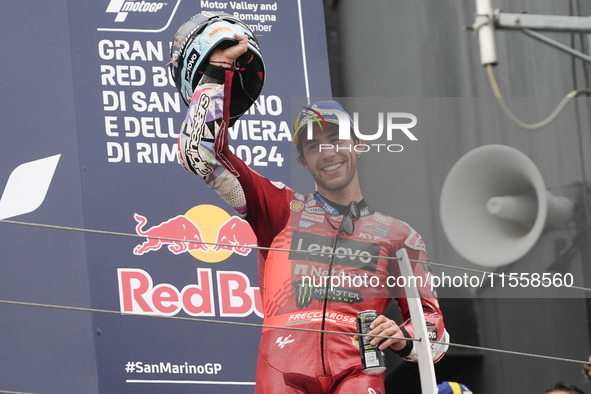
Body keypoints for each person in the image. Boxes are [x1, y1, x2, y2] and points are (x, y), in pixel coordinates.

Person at [173, 18, 449, 394]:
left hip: (358, 371)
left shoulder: (401, 236)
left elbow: (435, 334)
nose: (327, 152)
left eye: (335, 138)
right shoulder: (279, 208)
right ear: (303, 162)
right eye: (313, 145)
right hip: (282, 367)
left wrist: (401, 336)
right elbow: (202, 155)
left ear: (359, 145)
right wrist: (216, 76)